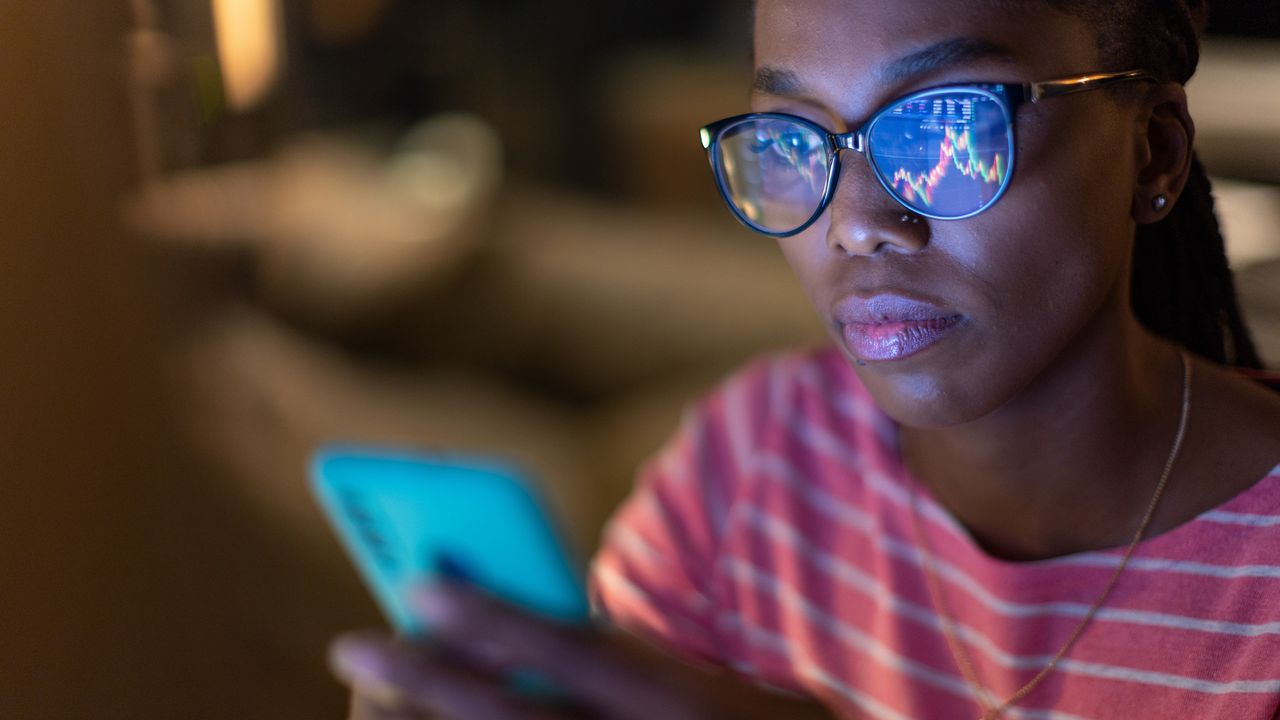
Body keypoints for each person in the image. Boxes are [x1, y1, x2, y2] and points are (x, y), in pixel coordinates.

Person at [327, 0, 1280, 717]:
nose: (857, 224)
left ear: (1153, 154)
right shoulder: (753, 460)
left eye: (947, 126)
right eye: (793, 139)